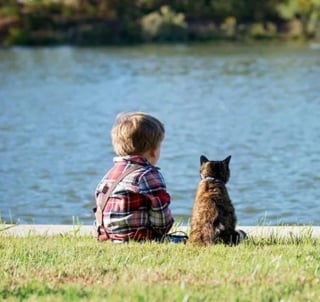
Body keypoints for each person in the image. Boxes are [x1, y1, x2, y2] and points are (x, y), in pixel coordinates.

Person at [95, 112, 174, 242]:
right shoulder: (147, 174)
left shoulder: (110, 175)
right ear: (154, 151)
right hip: (138, 238)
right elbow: (162, 222)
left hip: (108, 238)